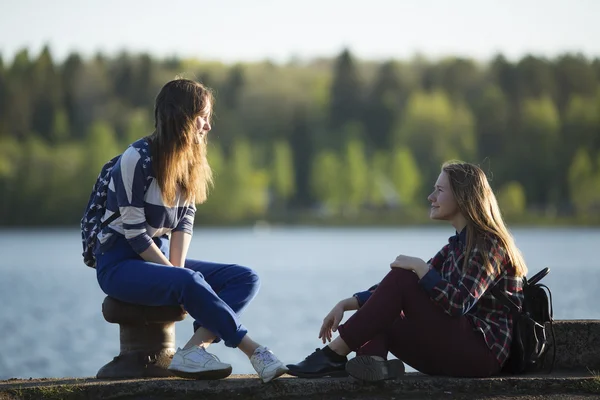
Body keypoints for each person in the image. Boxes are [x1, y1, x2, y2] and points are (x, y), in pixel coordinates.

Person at [92, 78, 288, 383]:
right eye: (203, 117)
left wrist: (177, 272)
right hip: (119, 263)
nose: (208, 126)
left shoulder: (189, 163)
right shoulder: (136, 159)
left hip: (157, 255)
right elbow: (134, 234)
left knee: (245, 278)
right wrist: (176, 276)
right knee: (186, 280)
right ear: (182, 117)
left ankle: (193, 350)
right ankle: (254, 351)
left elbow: (184, 222)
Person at [286, 161, 526, 381]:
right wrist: (346, 303)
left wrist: (421, 268)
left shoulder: (489, 245)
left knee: (404, 277)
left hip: (481, 356)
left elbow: (458, 303)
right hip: (454, 351)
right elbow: (390, 296)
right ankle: (373, 363)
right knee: (385, 309)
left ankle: (333, 355)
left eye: (439, 191)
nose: (430, 197)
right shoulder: (455, 247)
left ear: (463, 197)